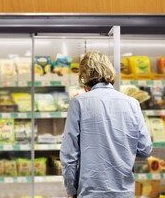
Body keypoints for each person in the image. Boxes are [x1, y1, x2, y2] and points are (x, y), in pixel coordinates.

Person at [60, 52, 152, 198]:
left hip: (90, 192)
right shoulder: (132, 103)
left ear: (84, 76)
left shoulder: (79, 102)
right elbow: (145, 149)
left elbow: (69, 155)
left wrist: (71, 190)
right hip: (124, 192)